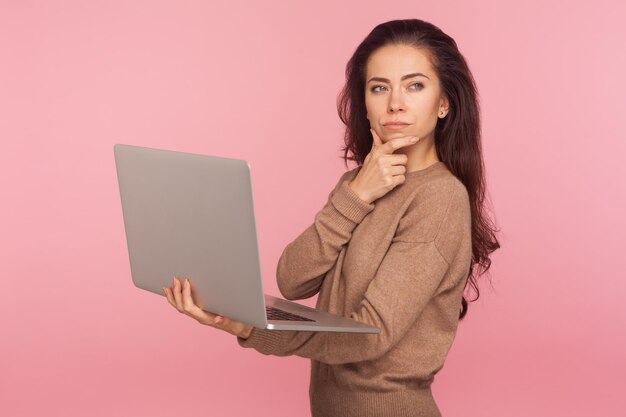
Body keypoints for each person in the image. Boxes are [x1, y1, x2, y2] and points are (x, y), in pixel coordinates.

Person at [163, 18, 500, 417]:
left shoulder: (440, 199)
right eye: (379, 87)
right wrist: (357, 194)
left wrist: (249, 328)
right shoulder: (359, 185)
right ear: (366, 103)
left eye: (415, 85)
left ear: (444, 103)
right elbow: (293, 279)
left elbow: (369, 336)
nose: (395, 103)